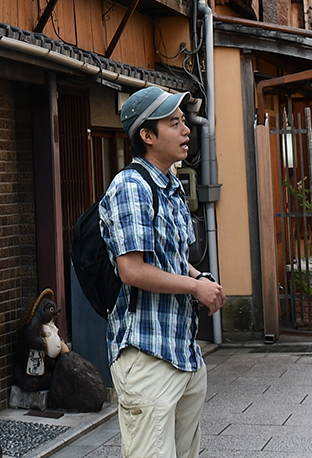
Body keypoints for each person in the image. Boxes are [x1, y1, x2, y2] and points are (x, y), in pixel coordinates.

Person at [99, 86, 225, 458]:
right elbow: (131, 270)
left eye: (184, 121)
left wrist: (196, 278)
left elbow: (169, 258)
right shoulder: (131, 186)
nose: (186, 129)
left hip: (183, 352)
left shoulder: (169, 186)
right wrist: (193, 287)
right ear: (148, 136)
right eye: (174, 123)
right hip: (147, 355)